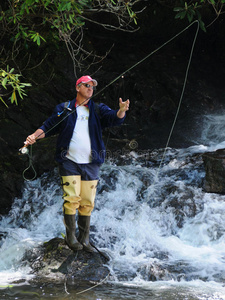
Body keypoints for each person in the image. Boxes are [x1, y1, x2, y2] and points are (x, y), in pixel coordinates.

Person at [24, 75, 130, 252]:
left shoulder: (97, 109)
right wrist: (33, 137)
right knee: (72, 199)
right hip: (69, 161)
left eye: (92, 86)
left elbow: (115, 118)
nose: (90, 89)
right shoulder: (64, 108)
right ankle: (71, 238)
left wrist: (121, 110)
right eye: (87, 85)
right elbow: (48, 127)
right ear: (77, 88)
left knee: (87, 201)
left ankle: (85, 239)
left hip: (92, 162)